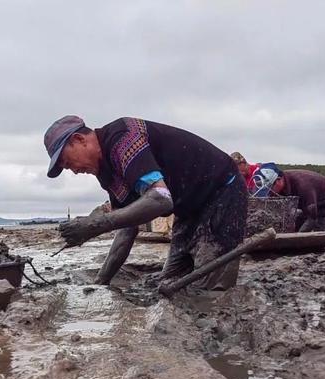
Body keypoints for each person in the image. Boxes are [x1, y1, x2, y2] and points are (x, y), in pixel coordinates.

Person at [44, 115, 247, 289]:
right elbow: (127, 229)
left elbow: (160, 199)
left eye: (68, 162)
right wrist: (100, 282)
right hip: (188, 210)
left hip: (221, 189)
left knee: (212, 287)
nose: (74, 170)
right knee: (170, 281)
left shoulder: (123, 138)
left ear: (79, 140)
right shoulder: (106, 174)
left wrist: (96, 225)